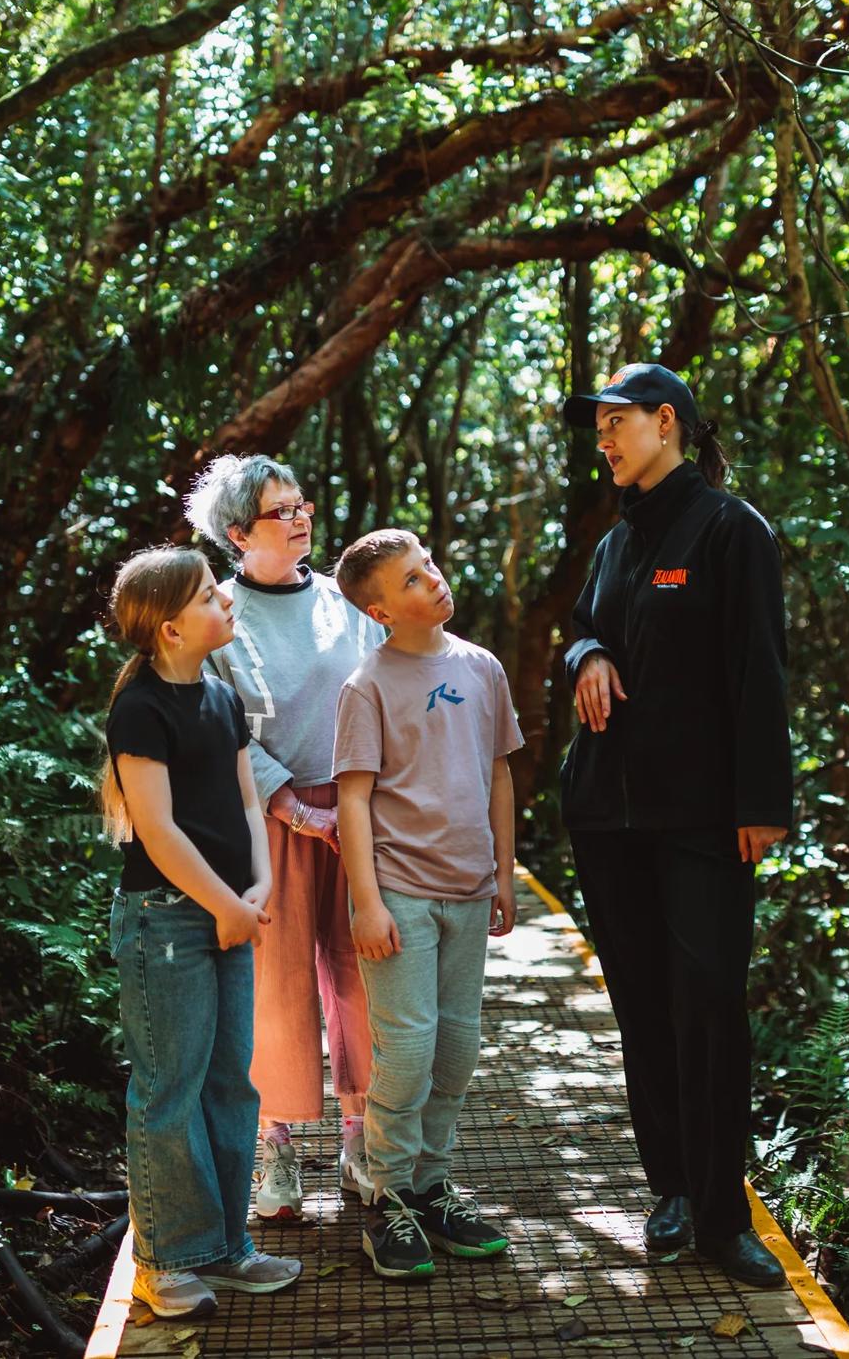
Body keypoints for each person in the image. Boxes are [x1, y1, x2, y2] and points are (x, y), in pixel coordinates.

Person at [559, 363, 793, 1289]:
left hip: (702, 820)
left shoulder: (732, 530)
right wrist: (586, 654)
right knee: (643, 1008)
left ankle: (724, 1217)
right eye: (598, 427)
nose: (604, 440)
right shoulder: (617, 542)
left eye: (617, 423)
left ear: (668, 423)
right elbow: (583, 623)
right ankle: (672, 1191)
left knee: (708, 1010)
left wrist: (761, 805)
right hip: (608, 816)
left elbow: (759, 670)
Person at [101, 546, 304, 1318]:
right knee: (169, 1089)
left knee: (229, 1082)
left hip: (228, 913)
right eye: (210, 596)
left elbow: (248, 803)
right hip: (166, 921)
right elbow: (156, 828)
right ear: (170, 627)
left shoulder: (220, 697)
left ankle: (226, 1248)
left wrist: (259, 886)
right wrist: (224, 904)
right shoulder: (141, 708)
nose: (226, 602)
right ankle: (166, 1260)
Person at [184, 455, 381, 1220]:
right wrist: (296, 809)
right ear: (238, 532)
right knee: (277, 985)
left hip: (358, 814)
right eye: (280, 510)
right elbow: (220, 721)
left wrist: (360, 805)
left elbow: (382, 697)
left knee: (362, 978)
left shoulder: (345, 604)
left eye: (301, 504)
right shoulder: (220, 613)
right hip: (265, 817)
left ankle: (363, 1138)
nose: (300, 518)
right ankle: (278, 1148)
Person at [331, 529, 522, 1280]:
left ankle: (431, 1186)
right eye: (411, 580)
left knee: (457, 1047)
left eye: (430, 566)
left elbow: (500, 777)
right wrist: (366, 903)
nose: (433, 582)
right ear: (381, 610)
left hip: (470, 890)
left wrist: (503, 875)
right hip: (400, 893)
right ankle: (386, 1198)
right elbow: (353, 799)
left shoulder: (482, 667)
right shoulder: (367, 685)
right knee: (406, 1051)